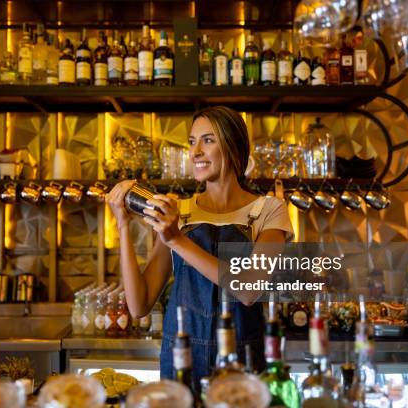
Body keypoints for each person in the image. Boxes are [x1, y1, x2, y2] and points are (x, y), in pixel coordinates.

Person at [106, 106, 293, 388]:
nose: (195, 152)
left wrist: (177, 240)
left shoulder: (269, 211)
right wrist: (122, 224)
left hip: (241, 369)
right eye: (192, 142)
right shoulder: (179, 212)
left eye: (208, 140)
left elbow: (248, 289)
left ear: (232, 146)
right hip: (182, 364)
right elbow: (139, 305)